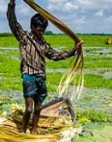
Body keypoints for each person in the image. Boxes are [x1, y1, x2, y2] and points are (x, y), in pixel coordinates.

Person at [7, 0, 82, 134]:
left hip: (40, 76)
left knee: (38, 107)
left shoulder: (44, 44)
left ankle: (34, 130)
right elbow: (13, 23)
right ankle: (23, 131)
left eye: (43, 30)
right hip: (29, 75)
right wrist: (12, 5)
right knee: (29, 108)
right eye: (39, 30)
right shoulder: (24, 38)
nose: (41, 33)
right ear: (32, 27)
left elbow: (55, 55)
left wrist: (73, 51)